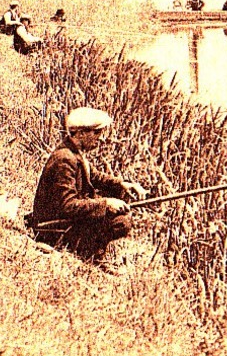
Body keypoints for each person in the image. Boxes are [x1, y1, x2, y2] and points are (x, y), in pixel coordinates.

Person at [25, 108, 147, 264]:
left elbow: (94, 176)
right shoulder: (65, 159)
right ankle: (88, 254)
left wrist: (122, 184)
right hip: (49, 228)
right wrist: (106, 204)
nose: (101, 139)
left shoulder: (73, 152)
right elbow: (67, 206)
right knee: (121, 223)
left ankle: (88, 250)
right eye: (96, 133)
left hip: (59, 219)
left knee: (118, 207)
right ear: (80, 133)